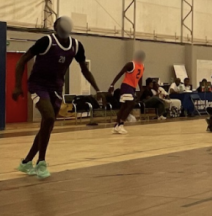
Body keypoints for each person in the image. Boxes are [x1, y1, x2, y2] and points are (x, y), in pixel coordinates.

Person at [13, 16, 101, 179]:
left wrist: (98, 89)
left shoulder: (76, 46)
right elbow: (22, 61)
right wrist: (18, 85)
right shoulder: (46, 41)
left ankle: (26, 162)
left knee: (47, 125)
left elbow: (84, 70)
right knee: (48, 117)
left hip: (56, 88)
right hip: (38, 85)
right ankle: (41, 162)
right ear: (55, 28)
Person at [108, 50, 146, 134]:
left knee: (124, 107)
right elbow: (120, 74)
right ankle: (121, 124)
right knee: (131, 104)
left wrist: (141, 88)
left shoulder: (142, 66)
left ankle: (116, 126)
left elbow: (140, 77)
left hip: (132, 87)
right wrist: (112, 84)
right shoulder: (130, 64)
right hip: (126, 86)